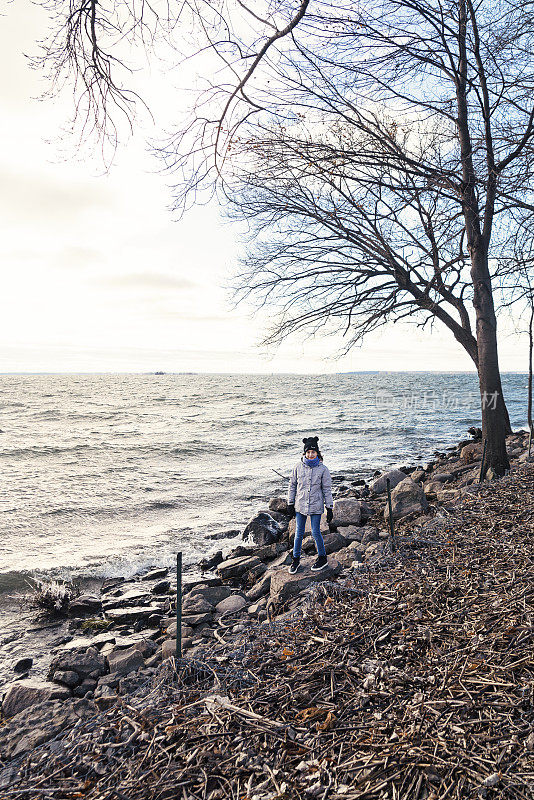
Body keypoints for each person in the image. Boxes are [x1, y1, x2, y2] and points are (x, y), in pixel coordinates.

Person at [287, 436, 334, 574]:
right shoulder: (297, 467)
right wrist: (290, 503)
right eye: (308, 452)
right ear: (304, 453)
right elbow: (292, 486)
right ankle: (295, 560)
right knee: (298, 533)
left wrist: (329, 507)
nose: (310, 454)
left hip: (316, 505)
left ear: (317, 453)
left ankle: (322, 558)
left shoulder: (323, 469)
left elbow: (327, 489)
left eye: (313, 452)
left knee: (315, 531)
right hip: (300, 505)